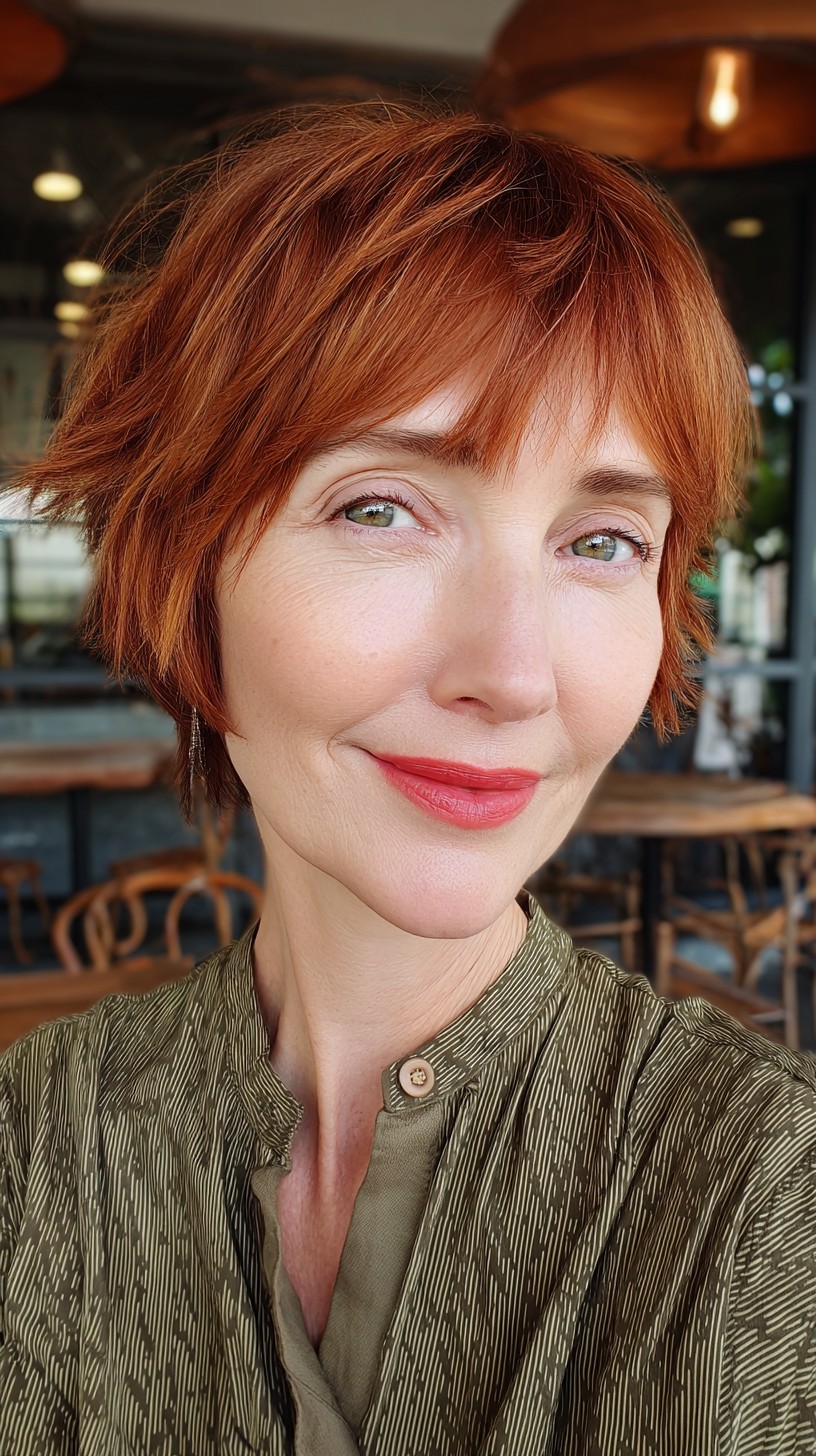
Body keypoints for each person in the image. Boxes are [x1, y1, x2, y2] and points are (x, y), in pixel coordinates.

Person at [1, 104, 814, 1456]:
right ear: (186, 577)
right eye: (381, 508)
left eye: (603, 540)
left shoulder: (763, 1198)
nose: (514, 672)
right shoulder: (36, 1152)